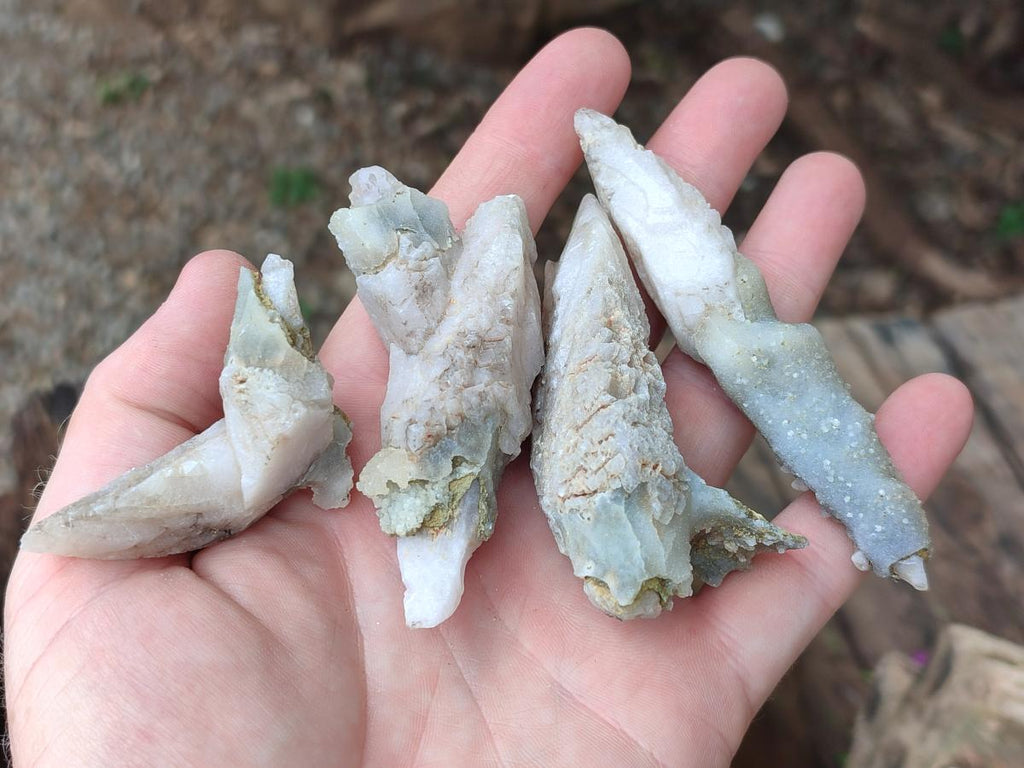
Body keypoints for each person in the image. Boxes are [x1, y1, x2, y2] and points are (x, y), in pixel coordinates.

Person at [4, 28, 972, 767]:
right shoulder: (470, 345)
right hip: (537, 431)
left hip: (575, 434)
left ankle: (870, 528)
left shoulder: (517, 326)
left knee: (732, 351)